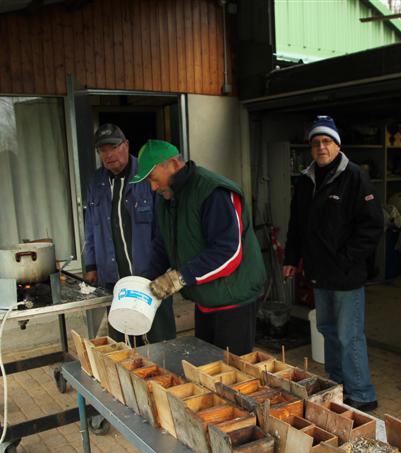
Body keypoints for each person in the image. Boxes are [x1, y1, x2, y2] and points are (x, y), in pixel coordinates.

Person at [282, 116, 383, 411]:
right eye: (316, 143)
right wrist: (291, 259)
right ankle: (338, 385)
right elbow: (297, 225)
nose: (321, 147)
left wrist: (348, 257)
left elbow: (373, 226)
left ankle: (362, 394)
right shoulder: (306, 181)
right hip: (319, 272)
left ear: (337, 144)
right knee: (327, 328)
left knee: (349, 335)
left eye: (326, 141)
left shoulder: (355, 177)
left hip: (347, 273)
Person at [130, 139, 266, 355]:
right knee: (206, 367)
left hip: (233, 300)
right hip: (204, 299)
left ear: (173, 164)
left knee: (233, 376)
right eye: (149, 182)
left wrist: (179, 277)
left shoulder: (213, 192)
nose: (153, 187)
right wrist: (144, 282)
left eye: (154, 179)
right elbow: (163, 244)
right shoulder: (167, 198)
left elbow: (228, 253)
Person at [83, 124, 176, 343]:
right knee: (122, 344)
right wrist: (91, 265)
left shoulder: (147, 175)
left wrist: (163, 268)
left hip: (150, 277)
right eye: (103, 150)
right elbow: (90, 226)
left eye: (114, 147)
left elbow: (163, 229)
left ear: (126, 145)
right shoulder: (95, 183)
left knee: (160, 341)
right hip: (114, 279)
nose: (109, 154)